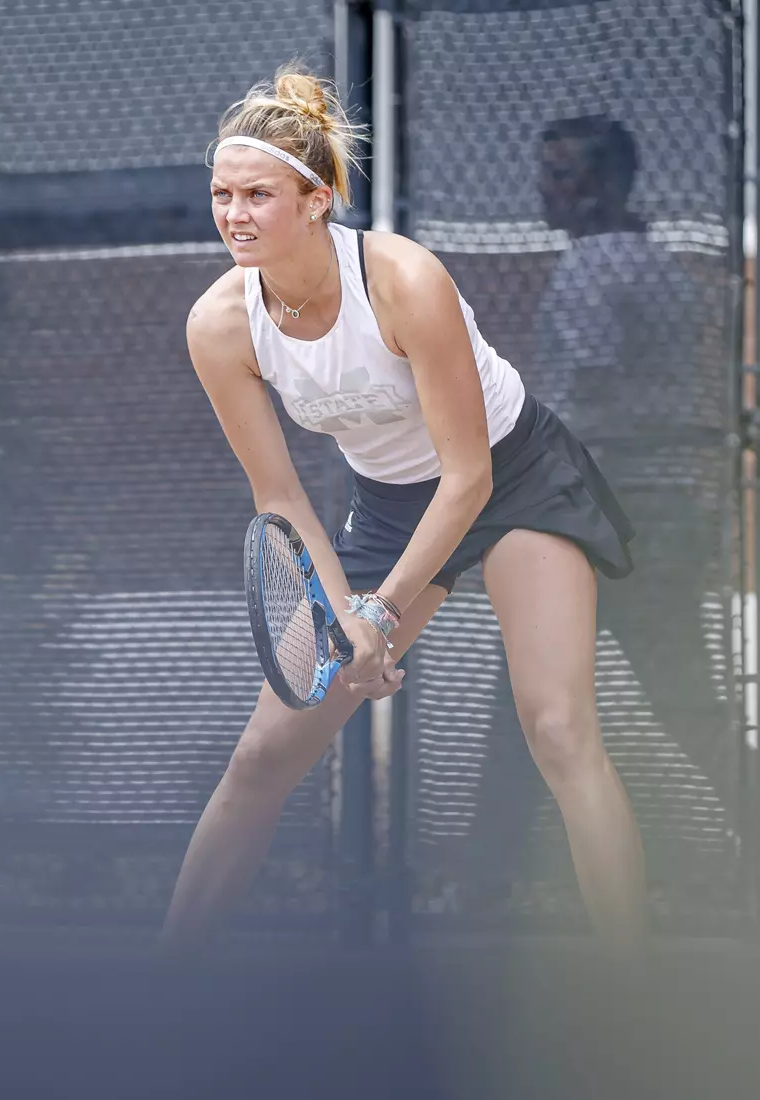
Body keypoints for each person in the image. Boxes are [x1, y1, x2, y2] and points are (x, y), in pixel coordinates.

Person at [159, 66, 649, 954]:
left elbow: (467, 479)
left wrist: (379, 613)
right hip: (386, 507)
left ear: (317, 198)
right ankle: (164, 984)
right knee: (263, 758)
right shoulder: (219, 325)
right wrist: (345, 612)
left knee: (559, 728)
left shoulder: (402, 279)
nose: (235, 214)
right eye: (222, 195)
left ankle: (635, 984)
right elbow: (280, 498)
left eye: (259, 195)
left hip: (513, 479)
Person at [465, 115, 732, 885]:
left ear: (610, 184)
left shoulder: (598, 269)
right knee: (680, 701)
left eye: (569, 174)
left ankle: (483, 882)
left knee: (528, 702)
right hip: (649, 518)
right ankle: (487, 876)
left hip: (604, 522)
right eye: (547, 172)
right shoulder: (643, 261)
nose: (550, 188)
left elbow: (589, 402)